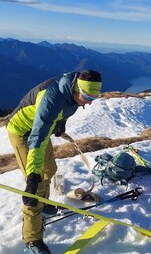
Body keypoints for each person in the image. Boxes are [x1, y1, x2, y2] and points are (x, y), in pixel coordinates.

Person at [6, 70, 102, 254]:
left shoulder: (73, 92)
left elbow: (64, 110)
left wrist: (61, 122)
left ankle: (43, 204)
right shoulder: (51, 100)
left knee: (49, 169)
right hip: (22, 131)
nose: (90, 102)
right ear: (77, 88)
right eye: (88, 96)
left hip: (39, 130)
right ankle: (32, 239)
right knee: (36, 185)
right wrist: (32, 175)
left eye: (94, 97)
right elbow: (37, 138)